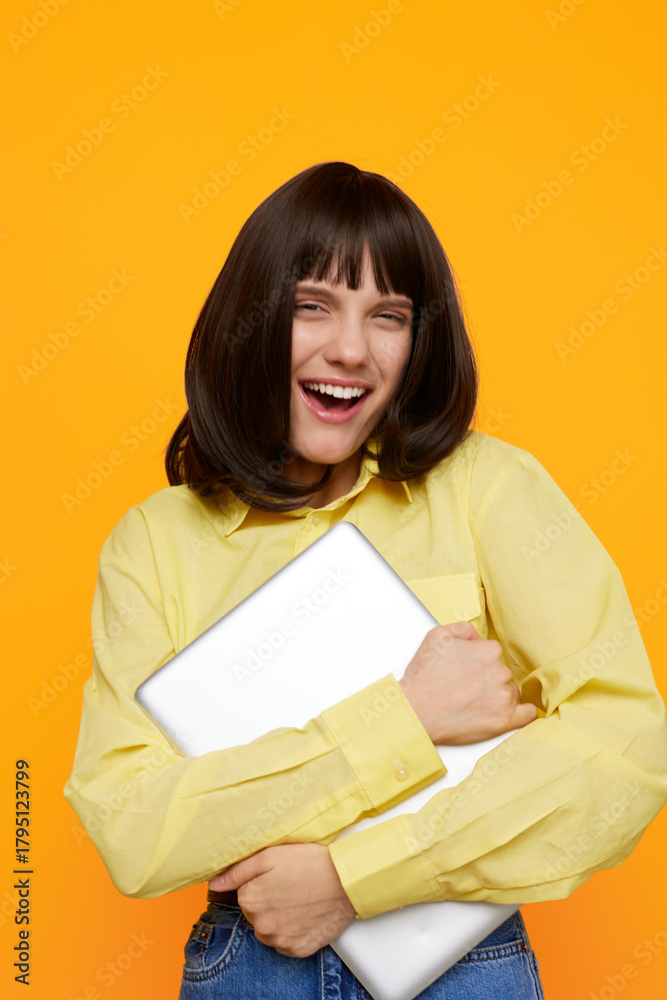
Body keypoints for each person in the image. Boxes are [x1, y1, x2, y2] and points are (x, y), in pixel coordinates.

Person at [64, 161, 667, 999]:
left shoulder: (486, 487)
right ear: (251, 317)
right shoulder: (154, 544)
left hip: (463, 959)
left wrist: (356, 878)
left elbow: (626, 749)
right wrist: (405, 720)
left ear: (418, 340)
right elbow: (129, 827)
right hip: (249, 966)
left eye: (388, 316)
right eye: (312, 305)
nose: (349, 349)